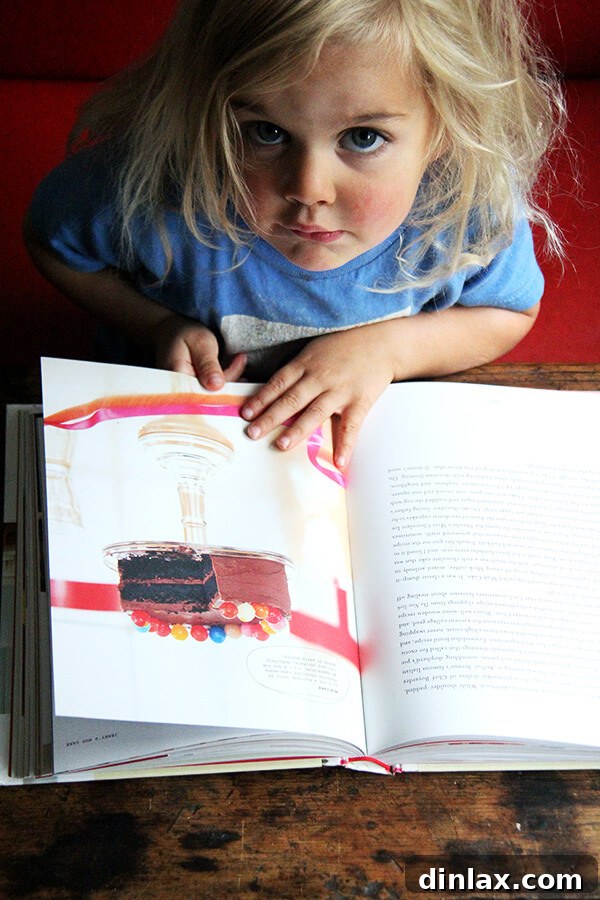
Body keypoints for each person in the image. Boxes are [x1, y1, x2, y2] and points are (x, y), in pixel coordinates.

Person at [24, 0, 564, 470]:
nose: (309, 188)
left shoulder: (460, 212)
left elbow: (510, 311)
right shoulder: (159, 192)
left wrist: (387, 352)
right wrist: (156, 324)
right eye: (267, 132)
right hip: (171, 439)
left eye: (363, 137)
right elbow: (53, 244)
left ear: (445, 127)